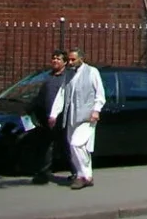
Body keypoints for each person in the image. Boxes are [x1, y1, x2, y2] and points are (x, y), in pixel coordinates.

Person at [50, 47, 106, 190]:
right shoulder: (68, 74)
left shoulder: (92, 72)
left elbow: (100, 94)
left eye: (73, 59)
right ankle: (87, 175)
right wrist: (54, 114)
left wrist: (96, 110)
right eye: (69, 59)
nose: (70, 62)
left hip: (87, 116)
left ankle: (83, 176)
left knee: (77, 144)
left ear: (81, 59)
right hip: (72, 117)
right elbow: (61, 95)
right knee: (76, 147)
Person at [31, 50, 69, 184]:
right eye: (53, 58)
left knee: (67, 146)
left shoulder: (67, 77)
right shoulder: (48, 77)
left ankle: (76, 173)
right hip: (47, 117)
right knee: (46, 146)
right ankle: (43, 174)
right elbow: (40, 96)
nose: (55, 61)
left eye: (58, 59)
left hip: (62, 117)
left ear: (65, 62)